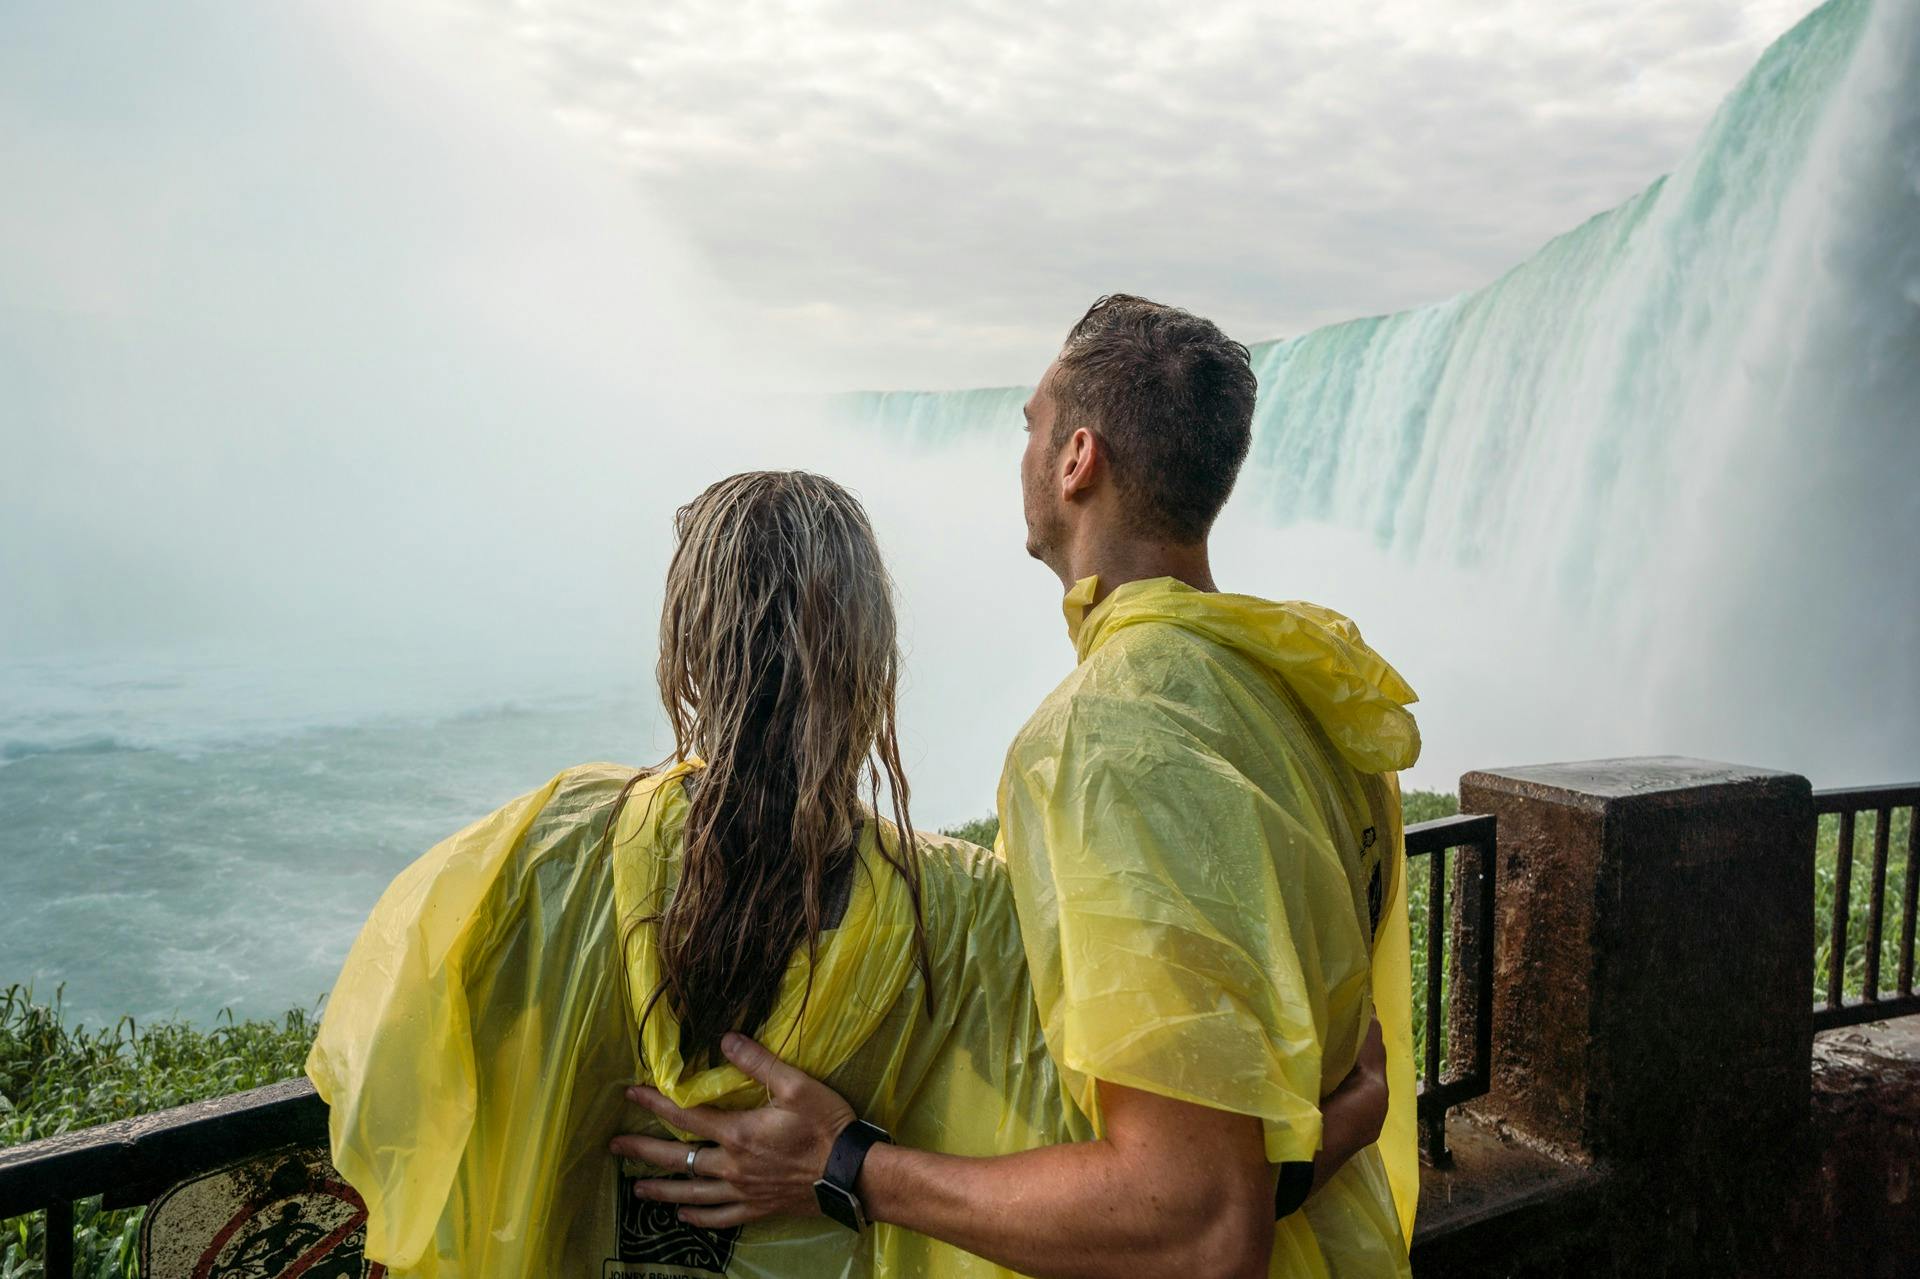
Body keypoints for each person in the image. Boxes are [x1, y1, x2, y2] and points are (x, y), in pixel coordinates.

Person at [306, 469, 1390, 1278]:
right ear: (874, 662)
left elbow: (403, 1099)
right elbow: (1135, 1184)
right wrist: (1328, 1132)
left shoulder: (539, 860)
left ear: (686, 653)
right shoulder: (962, 913)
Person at [619, 296, 1423, 1278]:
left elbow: (1198, 1223)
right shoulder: (1304, 694)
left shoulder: (1108, 739)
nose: (1024, 453)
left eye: (1032, 427)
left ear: (1078, 458)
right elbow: (1322, 1059)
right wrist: (1337, 1128)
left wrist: (844, 1164)